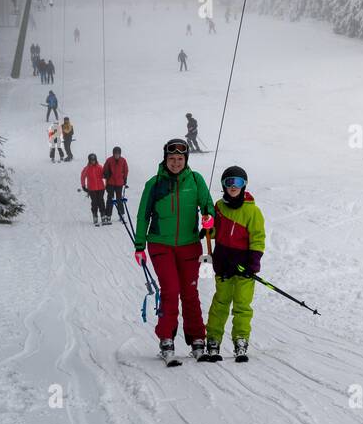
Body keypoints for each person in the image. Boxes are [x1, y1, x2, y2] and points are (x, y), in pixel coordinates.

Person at [134, 139, 213, 361]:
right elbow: (143, 216)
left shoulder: (196, 180)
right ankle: (166, 338)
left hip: (189, 245)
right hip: (160, 244)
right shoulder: (154, 184)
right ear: (165, 159)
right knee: (171, 290)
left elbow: (207, 205)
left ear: (185, 160)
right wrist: (140, 246)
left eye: (180, 159)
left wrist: (209, 218)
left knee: (190, 293)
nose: (176, 163)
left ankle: (198, 338)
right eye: (172, 159)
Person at [202, 165, 265, 363]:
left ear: (244, 185)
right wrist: (206, 228)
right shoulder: (219, 208)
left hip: (244, 266)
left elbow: (258, 238)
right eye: (229, 182)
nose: (233, 186)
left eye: (238, 182)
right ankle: (213, 340)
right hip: (223, 263)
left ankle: (241, 340)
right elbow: (213, 233)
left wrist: (253, 263)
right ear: (223, 185)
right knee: (220, 303)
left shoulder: (252, 211)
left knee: (242, 305)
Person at [81, 153, 108, 226]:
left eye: (94, 160)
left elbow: (103, 175)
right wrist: (83, 186)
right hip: (92, 189)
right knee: (94, 202)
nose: (93, 161)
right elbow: (83, 177)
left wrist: (105, 174)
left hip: (101, 188)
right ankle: (95, 215)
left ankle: (103, 215)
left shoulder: (99, 167)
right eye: (91, 160)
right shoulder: (87, 168)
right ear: (89, 160)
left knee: (101, 201)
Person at [103, 146, 129, 214]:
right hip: (110, 183)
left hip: (119, 183)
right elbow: (104, 169)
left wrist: (125, 179)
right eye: (115, 153)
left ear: (120, 154)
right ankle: (108, 214)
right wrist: (106, 174)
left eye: (118, 153)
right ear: (113, 153)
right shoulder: (109, 160)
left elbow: (126, 170)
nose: (117, 155)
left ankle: (121, 214)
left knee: (119, 199)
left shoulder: (123, 160)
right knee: (110, 199)